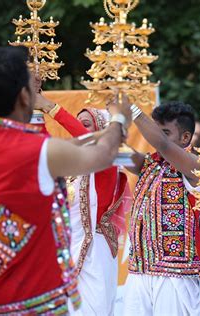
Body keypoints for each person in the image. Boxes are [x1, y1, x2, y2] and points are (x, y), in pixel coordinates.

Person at [0, 46, 130, 314]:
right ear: (25, 97)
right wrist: (120, 117)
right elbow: (105, 153)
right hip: (35, 305)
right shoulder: (40, 152)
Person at [36, 101, 131, 315]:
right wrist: (36, 111)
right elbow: (41, 145)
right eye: (80, 126)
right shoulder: (72, 169)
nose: (80, 132)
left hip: (94, 254)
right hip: (67, 249)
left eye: (87, 125)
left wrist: (50, 107)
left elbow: (94, 144)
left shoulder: (107, 164)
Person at [122, 101, 200, 315]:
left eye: (165, 132)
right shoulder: (149, 163)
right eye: (156, 130)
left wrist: (130, 107)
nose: (155, 137)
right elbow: (114, 150)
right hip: (139, 270)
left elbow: (164, 145)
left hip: (175, 274)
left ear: (185, 138)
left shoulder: (195, 166)